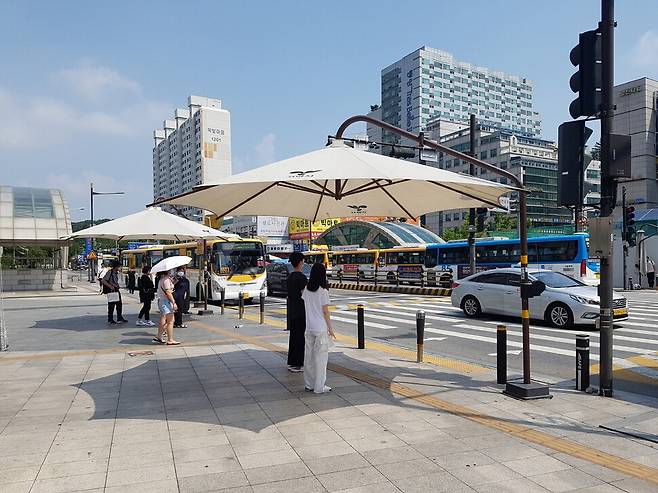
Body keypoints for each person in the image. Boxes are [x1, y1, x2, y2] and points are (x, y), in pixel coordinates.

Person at [301, 263, 336, 394]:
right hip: (320, 329)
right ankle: (319, 387)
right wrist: (330, 328)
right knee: (321, 359)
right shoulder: (323, 291)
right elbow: (325, 312)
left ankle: (309, 384)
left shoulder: (306, 290)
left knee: (309, 358)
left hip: (309, 328)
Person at [286, 252, 307, 372]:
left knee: (293, 337)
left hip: (292, 310)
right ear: (300, 262)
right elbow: (304, 294)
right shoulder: (301, 277)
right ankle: (298, 364)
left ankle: (291, 362)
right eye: (303, 261)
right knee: (300, 338)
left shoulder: (290, 277)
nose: (303, 263)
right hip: (301, 310)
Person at [155, 269, 181, 345]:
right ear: (167, 271)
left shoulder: (163, 279)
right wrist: (174, 302)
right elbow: (168, 292)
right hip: (165, 302)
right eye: (170, 270)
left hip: (163, 301)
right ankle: (170, 339)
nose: (171, 271)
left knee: (167, 319)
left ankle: (159, 336)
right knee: (170, 321)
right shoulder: (166, 280)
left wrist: (173, 282)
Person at [101, 260, 127, 324]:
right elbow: (103, 280)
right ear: (116, 266)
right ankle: (110, 319)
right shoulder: (110, 272)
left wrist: (117, 285)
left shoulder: (116, 273)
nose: (120, 268)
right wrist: (110, 286)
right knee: (111, 305)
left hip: (116, 290)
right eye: (119, 266)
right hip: (111, 291)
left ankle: (119, 318)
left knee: (119, 304)